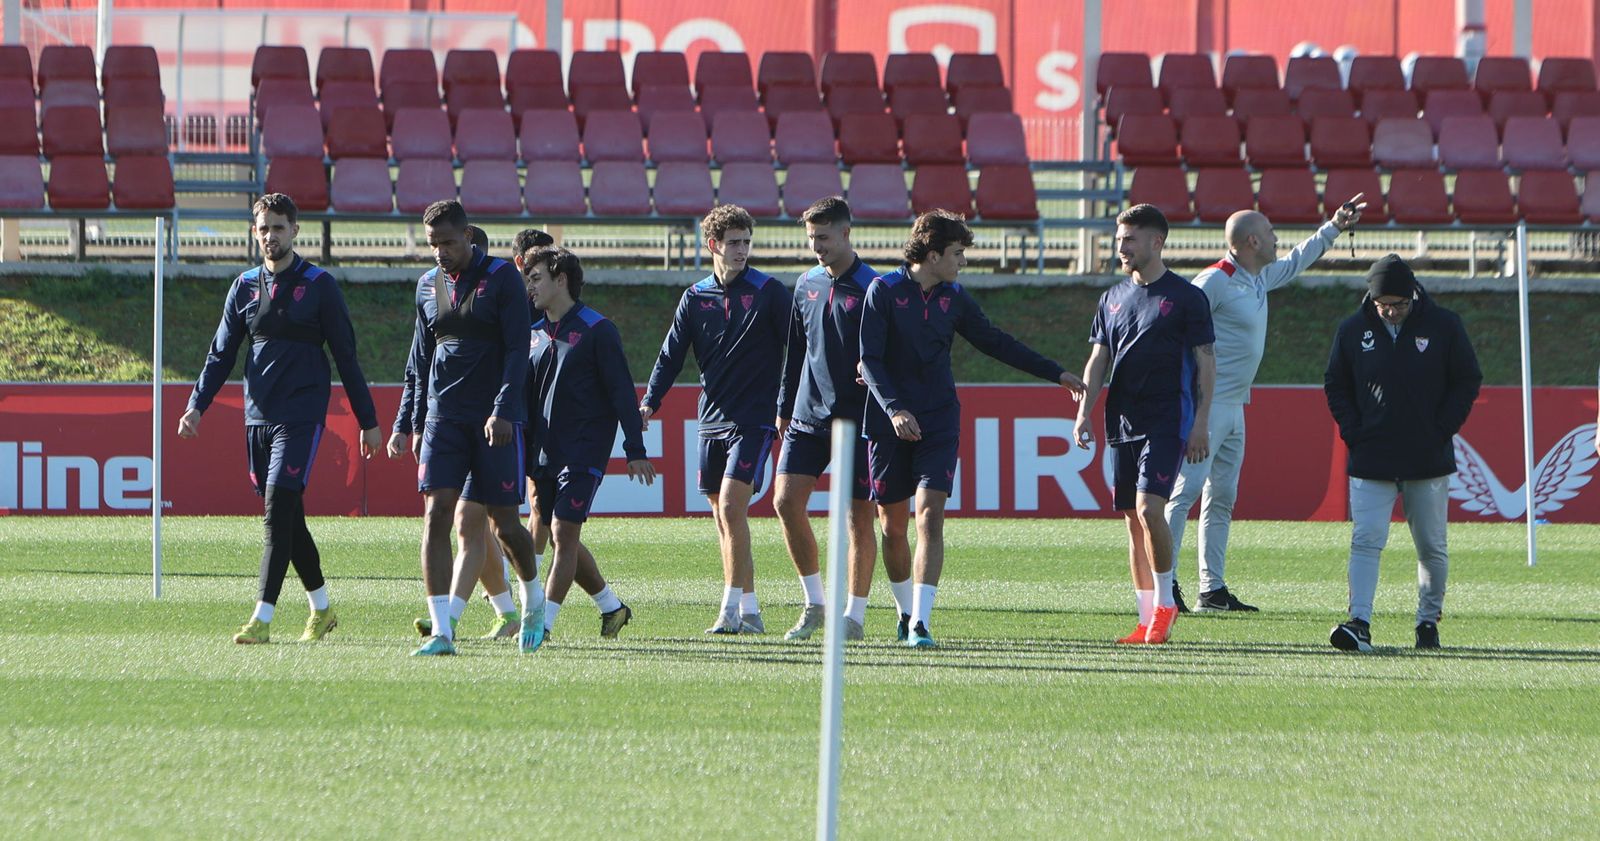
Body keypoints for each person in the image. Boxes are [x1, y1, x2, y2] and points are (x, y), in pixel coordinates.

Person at [860, 210, 1084, 648]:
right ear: (932, 252)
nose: (962, 261)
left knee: (930, 512)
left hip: (940, 419)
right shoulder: (883, 291)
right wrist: (894, 409)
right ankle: (905, 612)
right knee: (892, 527)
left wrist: (1056, 372)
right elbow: (869, 360)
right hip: (889, 423)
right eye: (958, 253)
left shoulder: (954, 298)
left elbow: (996, 342)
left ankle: (921, 623)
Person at [179, 192, 382, 644]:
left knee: (275, 515)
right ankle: (323, 609)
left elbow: (346, 356)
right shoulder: (244, 286)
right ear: (255, 233)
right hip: (258, 417)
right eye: (263, 228)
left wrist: (368, 420)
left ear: (295, 230)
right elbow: (221, 353)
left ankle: (262, 619)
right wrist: (197, 405)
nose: (270, 235)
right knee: (289, 519)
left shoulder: (320, 285)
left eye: (278, 227)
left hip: (302, 415)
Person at [1163, 195, 1367, 613]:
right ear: (1252, 241)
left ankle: (1212, 590)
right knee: (1184, 494)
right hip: (1208, 406)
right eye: (1271, 233)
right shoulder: (1214, 280)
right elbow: (1174, 329)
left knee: (1222, 496)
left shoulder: (1257, 276)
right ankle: (1163, 586)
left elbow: (1296, 260)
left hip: (1235, 405)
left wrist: (1334, 226)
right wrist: (1192, 407)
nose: (1277, 240)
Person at [397, 200, 541, 657]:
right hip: (443, 418)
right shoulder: (426, 286)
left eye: (448, 242)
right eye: (433, 243)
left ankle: (533, 602)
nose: (440, 251)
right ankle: (442, 630)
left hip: (492, 422)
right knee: (437, 513)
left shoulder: (501, 280)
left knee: (504, 526)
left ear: (469, 236)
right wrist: (413, 421)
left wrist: (503, 408)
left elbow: (519, 350)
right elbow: (419, 361)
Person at [642, 204, 791, 635]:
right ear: (714, 246)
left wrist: (786, 403)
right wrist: (651, 400)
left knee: (731, 505)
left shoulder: (769, 292)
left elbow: (797, 352)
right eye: (734, 243)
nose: (742, 250)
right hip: (711, 419)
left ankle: (728, 611)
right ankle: (751, 610)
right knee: (723, 517)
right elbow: (671, 355)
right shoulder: (695, 297)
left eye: (747, 242)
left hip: (754, 420)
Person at [1073, 204, 1215, 646]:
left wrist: (1201, 423)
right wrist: (1084, 410)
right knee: (1133, 520)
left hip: (1168, 418)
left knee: (1150, 508)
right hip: (1122, 419)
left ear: (1157, 242)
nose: (1121, 247)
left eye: (1130, 239)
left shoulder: (1187, 298)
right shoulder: (1111, 297)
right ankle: (1146, 616)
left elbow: (1206, 361)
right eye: (1119, 240)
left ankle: (1166, 602)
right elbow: (1100, 359)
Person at [1323, 254, 1481, 651]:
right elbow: (1335, 383)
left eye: (1398, 304)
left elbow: (1467, 379)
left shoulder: (1445, 325)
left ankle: (1427, 623)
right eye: (1383, 305)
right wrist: (1353, 431)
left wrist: (1442, 429)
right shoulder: (1353, 329)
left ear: (1414, 294)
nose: (1391, 312)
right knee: (1366, 539)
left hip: (1426, 455)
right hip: (1371, 453)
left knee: (1430, 545)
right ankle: (1359, 621)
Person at [523, 245, 655, 639]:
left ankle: (541, 625)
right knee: (563, 534)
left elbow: (620, 393)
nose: (529, 287)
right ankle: (612, 607)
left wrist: (635, 450)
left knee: (563, 533)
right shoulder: (531, 335)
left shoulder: (599, 330)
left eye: (536, 278)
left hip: (583, 452)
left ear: (560, 280)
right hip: (540, 453)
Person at [773, 197, 886, 642]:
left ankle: (853, 616)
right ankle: (815, 603)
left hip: (859, 421)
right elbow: (795, 353)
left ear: (845, 234)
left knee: (859, 517)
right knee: (784, 502)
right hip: (806, 415)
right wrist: (784, 405)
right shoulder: (804, 285)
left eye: (823, 236)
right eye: (810, 238)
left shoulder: (875, 287)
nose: (816, 245)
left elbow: (885, 356)